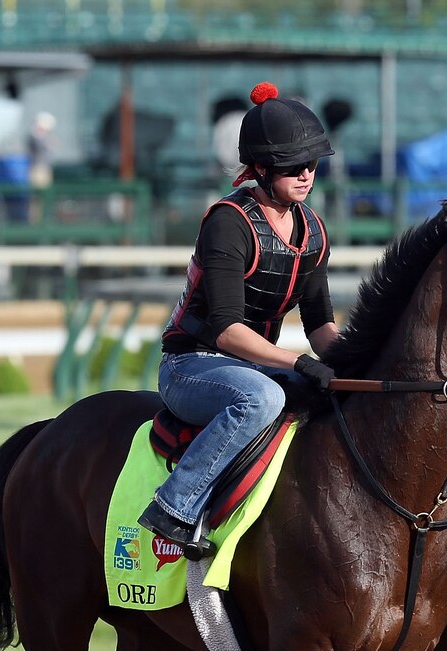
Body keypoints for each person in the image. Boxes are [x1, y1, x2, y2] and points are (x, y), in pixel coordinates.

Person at [138, 82, 341, 557]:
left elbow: (320, 324)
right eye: (295, 165)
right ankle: (176, 505)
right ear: (262, 168)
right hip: (191, 367)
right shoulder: (229, 221)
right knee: (263, 397)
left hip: (253, 365)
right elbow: (227, 330)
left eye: (312, 163)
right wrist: (297, 362)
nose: (307, 174)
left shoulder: (312, 230)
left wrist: (356, 364)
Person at [28, 111, 56, 190]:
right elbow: (39, 146)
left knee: (46, 189)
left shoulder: (43, 136)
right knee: (38, 191)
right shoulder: (34, 135)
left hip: (45, 166)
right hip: (38, 167)